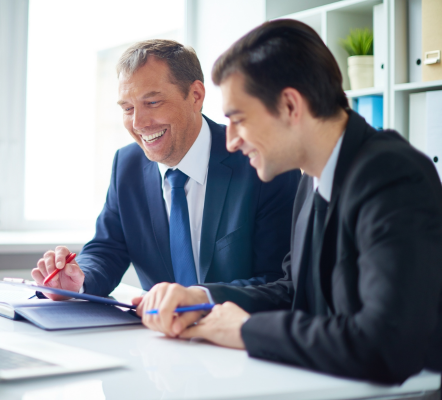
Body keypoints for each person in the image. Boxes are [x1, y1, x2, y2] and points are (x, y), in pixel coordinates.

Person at [134, 21, 442, 384]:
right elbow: (294, 291)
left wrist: (245, 331)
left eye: (239, 119)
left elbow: (384, 346)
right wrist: (201, 299)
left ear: (290, 105)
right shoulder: (311, 176)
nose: (230, 141)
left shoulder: (392, 175)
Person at [31, 39, 301, 300]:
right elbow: (107, 248)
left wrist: (199, 300)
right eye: (127, 108)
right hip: (159, 338)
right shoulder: (126, 165)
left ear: (195, 96)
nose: (139, 122)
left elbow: (279, 280)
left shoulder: (260, 162)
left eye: (152, 102)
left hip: (237, 337)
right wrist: (78, 279)